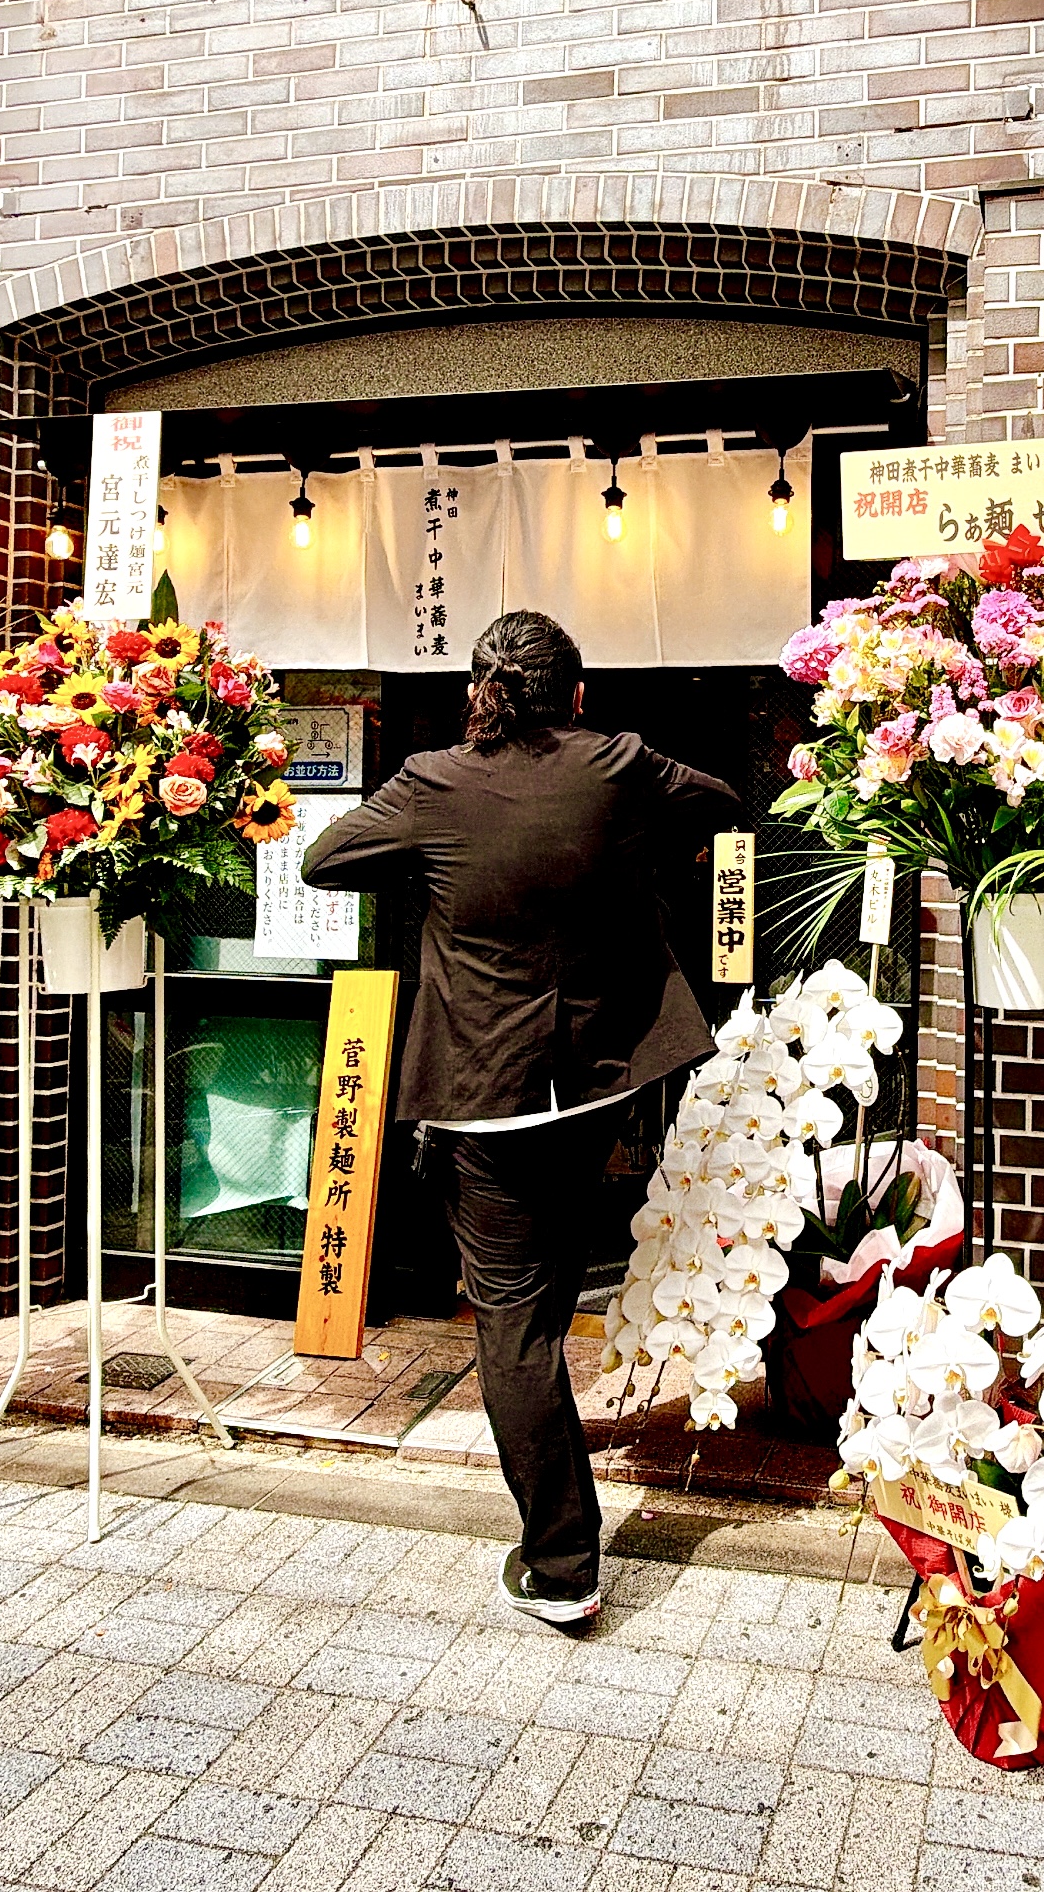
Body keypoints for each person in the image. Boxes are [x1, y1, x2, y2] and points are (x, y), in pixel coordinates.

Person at [299, 610, 740, 1624]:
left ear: (476, 694)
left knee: (515, 1322)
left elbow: (326, 858)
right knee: (538, 1302)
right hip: (592, 1084)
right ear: (579, 695)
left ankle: (563, 1563)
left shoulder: (432, 781)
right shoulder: (618, 764)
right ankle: (559, 1546)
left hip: (482, 1095)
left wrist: (426, 858)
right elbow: (716, 799)